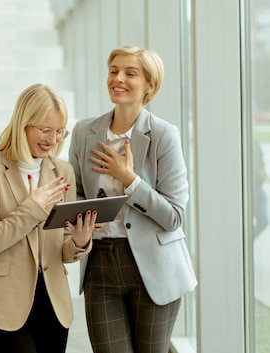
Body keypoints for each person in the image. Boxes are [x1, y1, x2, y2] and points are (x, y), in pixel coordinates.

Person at [68, 46, 197, 353]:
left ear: (149, 86)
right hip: (100, 263)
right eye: (113, 70)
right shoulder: (84, 132)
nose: (118, 78)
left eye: (130, 72)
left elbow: (174, 216)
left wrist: (129, 179)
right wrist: (81, 221)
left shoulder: (164, 135)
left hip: (154, 266)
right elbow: (76, 193)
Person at [0, 83, 98, 353]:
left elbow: (62, 249)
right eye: (45, 130)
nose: (53, 140)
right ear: (23, 124)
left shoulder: (63, 172)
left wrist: (79, 242)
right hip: (4, 301)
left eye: (60, 132)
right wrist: (32, 208)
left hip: (53, 300)